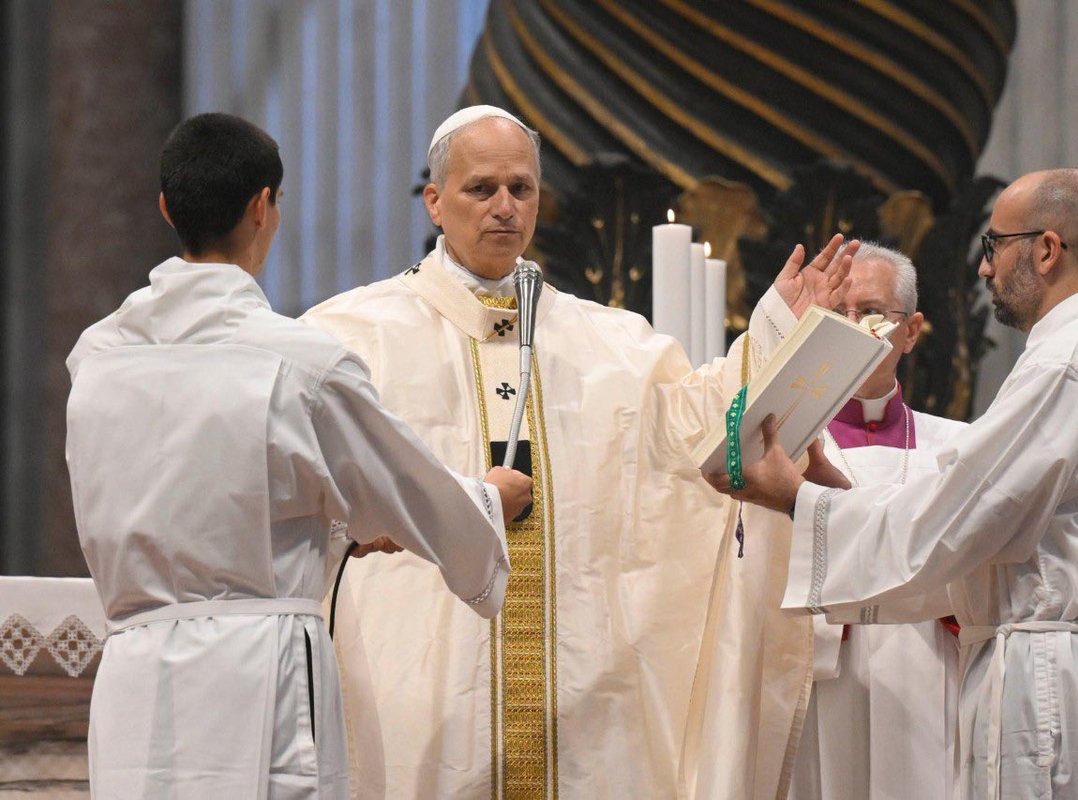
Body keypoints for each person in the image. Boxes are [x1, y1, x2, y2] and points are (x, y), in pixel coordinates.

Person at [302, 105, 852, 798]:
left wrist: (775, 330)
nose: (506, 207)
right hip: (415, 687)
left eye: (522, 189)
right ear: (435, 202)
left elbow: (691, 430)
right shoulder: (350, 337)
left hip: (581, 698)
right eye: (482, 189)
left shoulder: (608, 341)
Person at [65, 112, 532, 799]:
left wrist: (337, 529)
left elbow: (196, 495)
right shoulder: (302, 363)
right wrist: (489, 499)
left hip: (134, 674)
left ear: (167, 208)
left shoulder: (98, 357)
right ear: (264, 207)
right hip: (259, 677)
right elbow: (411, 490)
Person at [707, 168, 1078, 798]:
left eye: (994, 247)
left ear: (1046, 249)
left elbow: (957, 523)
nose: (984, 271)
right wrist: (836, 500)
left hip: (1052, 684)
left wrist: (799, 499)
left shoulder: (1071, 362)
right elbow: (974, 541)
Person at [786, 243, 964, 800]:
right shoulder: (783, 446)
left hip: (930, 679)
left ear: (910, 331)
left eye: (870, 313)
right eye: (835, 314)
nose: (851, 329)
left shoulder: (958, 447)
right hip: (820, 683)